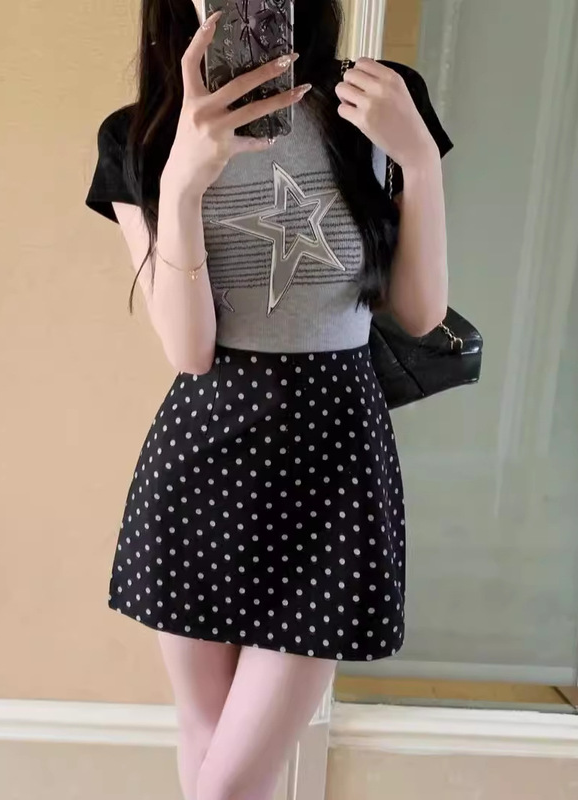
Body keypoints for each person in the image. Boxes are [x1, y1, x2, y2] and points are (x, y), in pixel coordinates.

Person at [86, 2, 452, 798]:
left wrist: (419, 161)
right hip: (202, 462)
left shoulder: (375, 100)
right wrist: (183, 184)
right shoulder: (139, 138)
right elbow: (189, 350)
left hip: (336, 463)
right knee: (206, 742)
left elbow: (420, 312)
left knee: (226, 785)